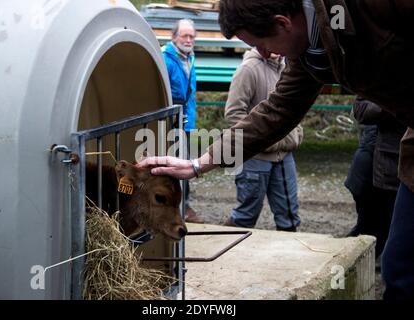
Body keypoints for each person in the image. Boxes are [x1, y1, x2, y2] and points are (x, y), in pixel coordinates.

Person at [139, 0, 414, 300]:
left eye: (262, 43)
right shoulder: (311, 50)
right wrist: (199, 164)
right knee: (400, 267)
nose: (266, 54)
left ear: (283, 23)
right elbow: (276, 111)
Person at [224, 48, 303, 231]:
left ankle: (289, 258)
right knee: (246, 216)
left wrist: (296, 133)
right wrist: (261, 140)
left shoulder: (288, 67)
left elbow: (296, 106)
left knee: (289, 217)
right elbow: (233, 113)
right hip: (255, 157)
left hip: (284, 155)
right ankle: (225, 253)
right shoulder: (248, 69)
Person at [345, 97, 406, 259]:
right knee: (362, 193)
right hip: (373, 149)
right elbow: (360, 109)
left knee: (397, 219)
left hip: (397, 158)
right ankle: (369, 246)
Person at [162, 19, 203, 223]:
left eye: (191, 36)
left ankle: (183, 206)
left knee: (185, 162)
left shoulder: (190, 57)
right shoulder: (166, 59)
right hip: (171, 123)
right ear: (174, 37)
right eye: (184, 35)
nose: (188, 40)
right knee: (174, 164)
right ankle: (178, 208)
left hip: (186, 122)